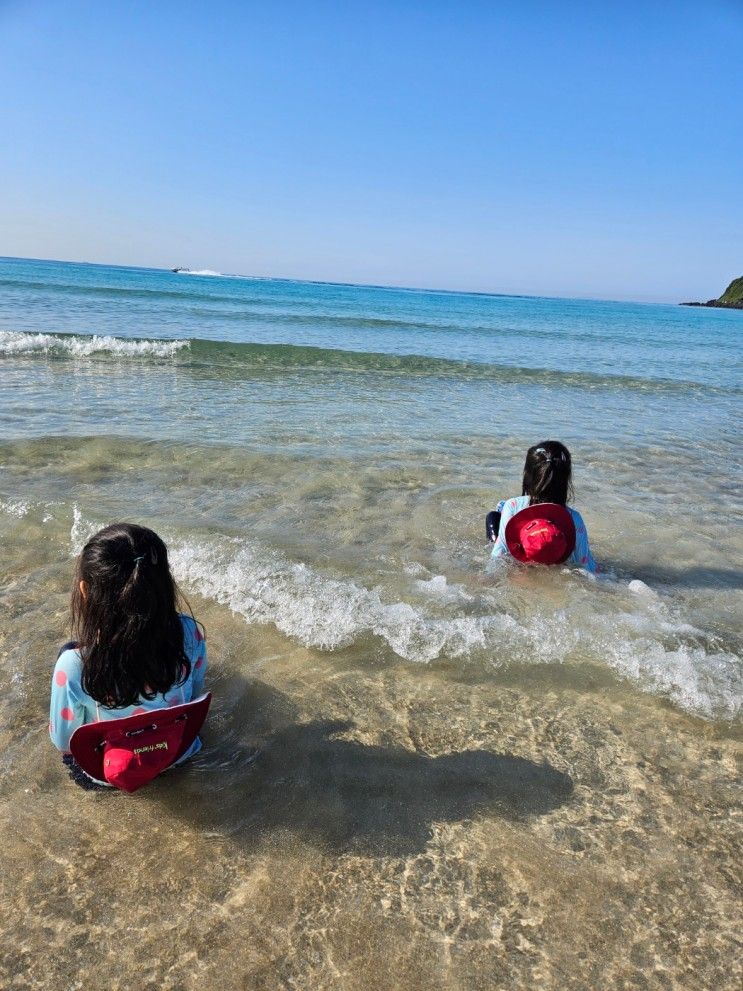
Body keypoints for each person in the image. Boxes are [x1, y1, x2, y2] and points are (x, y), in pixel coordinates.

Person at [49, 523, 208, 786]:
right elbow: (194, 693)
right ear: (163, 584)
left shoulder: (75, 666)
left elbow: (65, 741)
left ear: (85, 592)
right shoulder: (189, 633)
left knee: (67, 650)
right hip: (178, 754)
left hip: (110, 772)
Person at [487, 441, 598, 572]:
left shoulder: (513, 506)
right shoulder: (574, 519)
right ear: (565, 481)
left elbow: (499, 553)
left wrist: (488, 575)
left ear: (528, 477)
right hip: (557, 561)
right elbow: (587, 565)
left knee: (493, 517)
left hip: (523, 564)